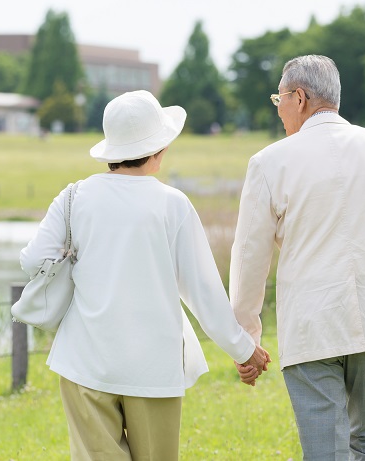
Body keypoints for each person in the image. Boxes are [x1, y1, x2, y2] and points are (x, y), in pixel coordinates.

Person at [20, 90, 270, 461]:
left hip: (84, 361)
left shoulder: (74, 197)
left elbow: (33, 259)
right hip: (153, 370)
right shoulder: (172, 205)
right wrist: (245, 350)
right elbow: (203, 292)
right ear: (160, 149)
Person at [229, 55, 365, 460]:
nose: (278, 108)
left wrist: (245, 339)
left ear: (300, 97)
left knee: (326, 452)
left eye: (279, 98)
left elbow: (248, 259)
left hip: (314, 327)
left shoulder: (269, 162)